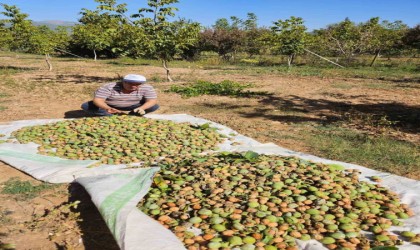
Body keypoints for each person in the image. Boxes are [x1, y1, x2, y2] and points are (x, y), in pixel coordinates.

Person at [81, 74, 159, 116]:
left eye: (137, 84)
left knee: (153, 106)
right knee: (86, 106)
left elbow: (152, 100)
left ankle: (133, 114)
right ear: (123, 82)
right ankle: (113, 115)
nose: (133, 86)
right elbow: (98, 100)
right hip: (110, 105)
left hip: (133, 105)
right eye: (130, 84)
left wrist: (141, 108)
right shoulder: (109, 87)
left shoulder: (147, 87)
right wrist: (107, 108)